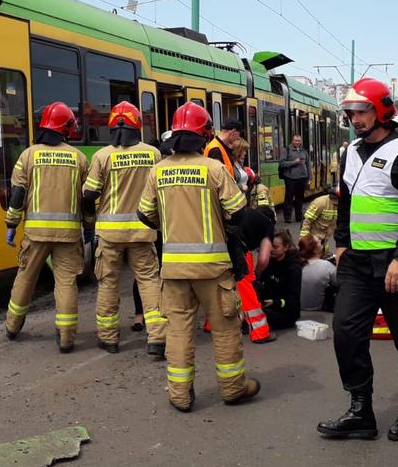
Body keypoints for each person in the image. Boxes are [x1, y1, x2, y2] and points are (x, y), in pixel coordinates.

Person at [316, 78, 398, 443]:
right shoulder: (349, 151)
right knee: (346, 333)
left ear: (382, 110)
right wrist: (340, 243)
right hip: (357, 262)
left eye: (361, 111)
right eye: (350, 112)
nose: (355, 118)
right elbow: (346, 201)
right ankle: (360, 410)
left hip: (397, 264)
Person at [138, 102, 260, 412]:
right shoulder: (214, 169)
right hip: (213, 268)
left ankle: (179, 395)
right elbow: (239, 213)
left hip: (174, 270)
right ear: (204, 135)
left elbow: (145, 215)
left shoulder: (158, 170)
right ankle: (233, 389)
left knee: (178, 331)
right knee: (225, 328)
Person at [4, 102, 91, 353]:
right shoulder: (78, 158)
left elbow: (18, 194)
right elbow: (87, 199)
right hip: (68, 235)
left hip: (36, 234)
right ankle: (66, 338)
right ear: (67, 128)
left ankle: (12, 326)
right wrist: (88, 227)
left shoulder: (28, 156)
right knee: (66, 283)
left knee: (26, 278)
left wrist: (11, 224)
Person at [83, 102, 165, 357]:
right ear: (137, 124)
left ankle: (109, 339)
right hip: (143, 231)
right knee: (149, 282)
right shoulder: (153, 154)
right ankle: (157, 338)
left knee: (108, 283)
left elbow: (89, 193)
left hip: (110, 234)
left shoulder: (102, 156)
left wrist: (90, 219)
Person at [236, 207, 277, 343]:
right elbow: (264, 258)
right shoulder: (268, 225)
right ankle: (260, 332)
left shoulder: (245, 213)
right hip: (239, 251)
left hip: (219, 248)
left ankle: (211, 325)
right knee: (248, 291)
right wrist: (257, 272)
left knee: (220, 287)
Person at [257, 230, 303, 328]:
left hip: (286, 313)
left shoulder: (294, 268)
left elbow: (293, 301)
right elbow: (261, 282)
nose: (271, 250)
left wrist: (275, 302)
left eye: (275, 247)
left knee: (258, 316)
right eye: (270, 246)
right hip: (267, 305)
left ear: (286, 247)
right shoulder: (269, 262)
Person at [299, 234, 337, 311]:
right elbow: (339, 283)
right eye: (318, 242)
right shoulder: (327, 266)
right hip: (318, 309)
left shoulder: (296, 264)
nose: (320, 241)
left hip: (297, 307)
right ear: (315, 250)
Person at [279, 134, 311, 223]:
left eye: (299, 141)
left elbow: (308, 165)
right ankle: (287, 217)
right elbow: (281, 163)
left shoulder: (304, 151)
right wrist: (294, 162)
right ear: (292, 141)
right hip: (290, 178)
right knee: (289, 198)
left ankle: (299, 217)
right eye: (295, 140)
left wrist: (309, 178)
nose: (297, 142)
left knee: (300, 199)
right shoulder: (287, 150)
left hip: (302, 178)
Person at [300, 187, 338, 252]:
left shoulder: (343, 205)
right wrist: (304, 238)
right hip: (314, 237)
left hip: (325, 238)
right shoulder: (320, 203)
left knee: (324, 252)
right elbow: (307, 220)